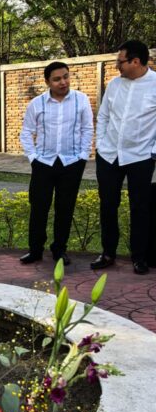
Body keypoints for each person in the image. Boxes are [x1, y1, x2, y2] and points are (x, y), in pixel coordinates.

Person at [91, 39, 156, 275]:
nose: (117, 65)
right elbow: (104, 116)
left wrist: (153, 152)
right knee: (108, 205)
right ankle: (108, 253)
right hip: (109, 156)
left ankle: (139, 258)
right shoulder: (114, 84)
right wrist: (100, 144)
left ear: (135, 61)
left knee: (140, 208)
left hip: (140, 157)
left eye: (120, 61)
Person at [18, 61, 93, 265]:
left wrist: (83, 156)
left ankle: (59, 249)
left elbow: (87, 129)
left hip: (72, 163)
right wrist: (33, 157)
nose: (63, 82)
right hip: (43, 163)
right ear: (48, 82)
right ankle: (35, 250)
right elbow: (26, 132)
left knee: (65, 208)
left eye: (66, 77)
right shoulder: (37, 104)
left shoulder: (81, 100)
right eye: (57, 79)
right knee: (38, 208)